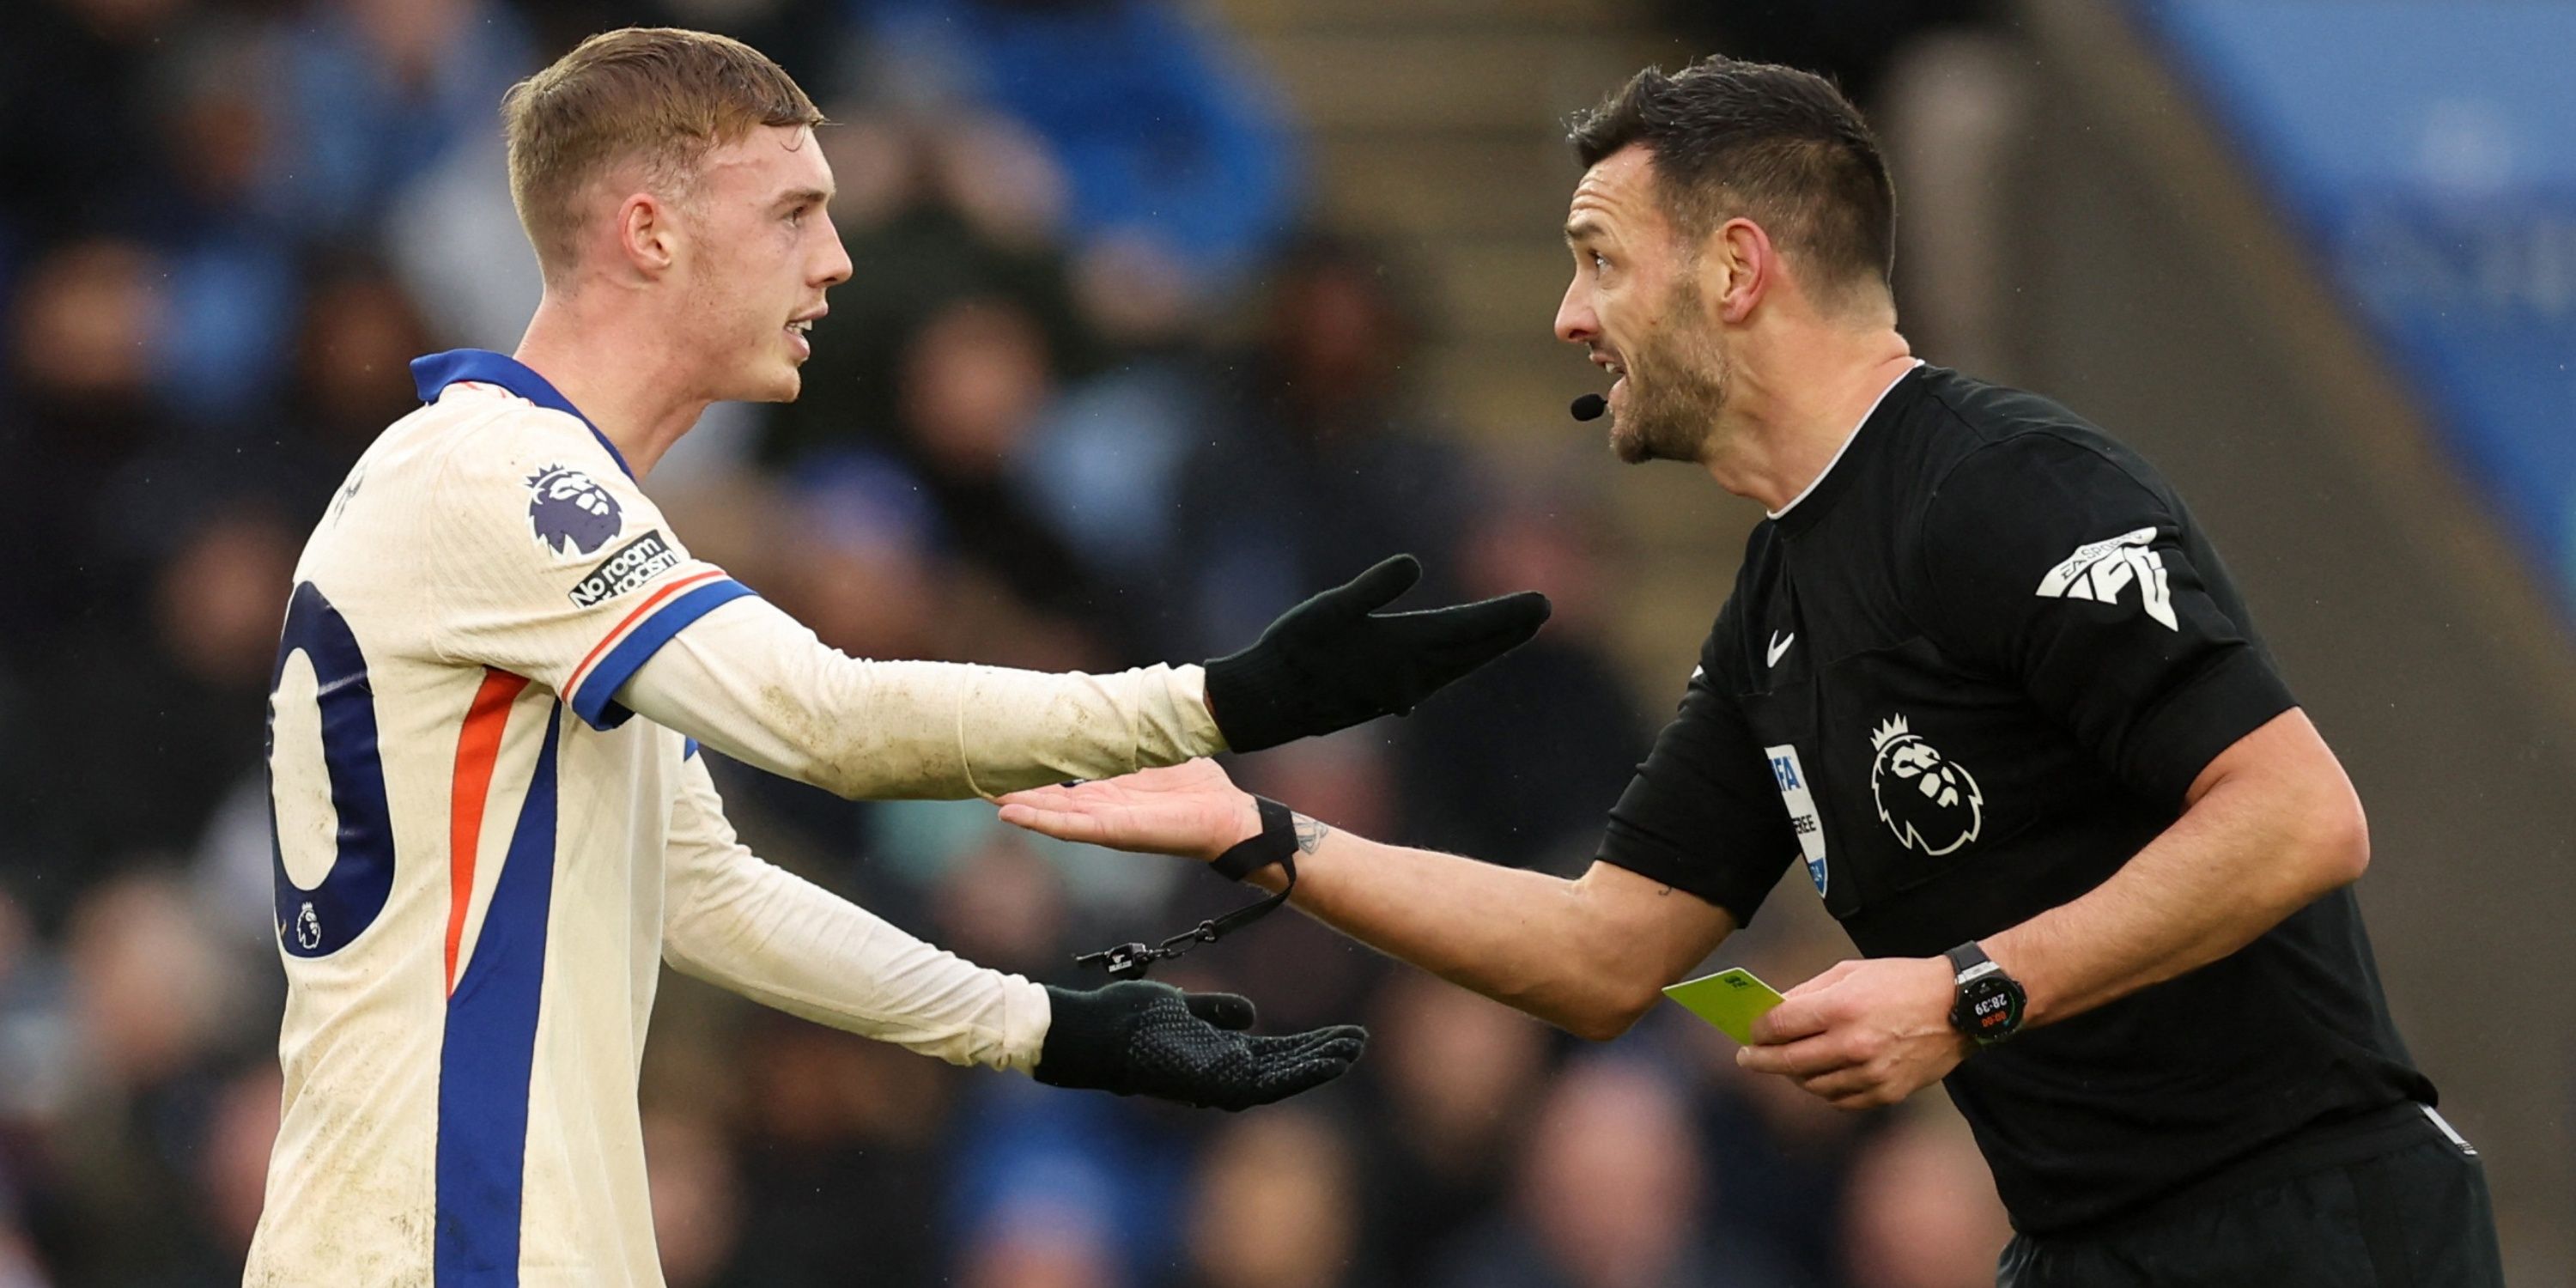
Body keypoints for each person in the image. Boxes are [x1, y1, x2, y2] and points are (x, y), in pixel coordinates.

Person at [997, 57, 2506, 1285]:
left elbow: (2300, 818)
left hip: (2310, 1230)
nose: (1568, 317)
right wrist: (1263, 838)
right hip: (2083, 1246)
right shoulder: (1781, 596)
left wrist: (1971, 992)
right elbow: (1602, 954)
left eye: (1598, 261)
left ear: (1735, 269)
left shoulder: (2007, 486)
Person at [246, 27, 1546, 1285]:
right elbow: (833, 720)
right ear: (650, 232)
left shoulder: (490, 485)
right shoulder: (506, 479)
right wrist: (1223, 699)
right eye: (795, 213)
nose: (840, 259)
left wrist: (1048, 1027)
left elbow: (708, 893)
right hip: (444, 1254)